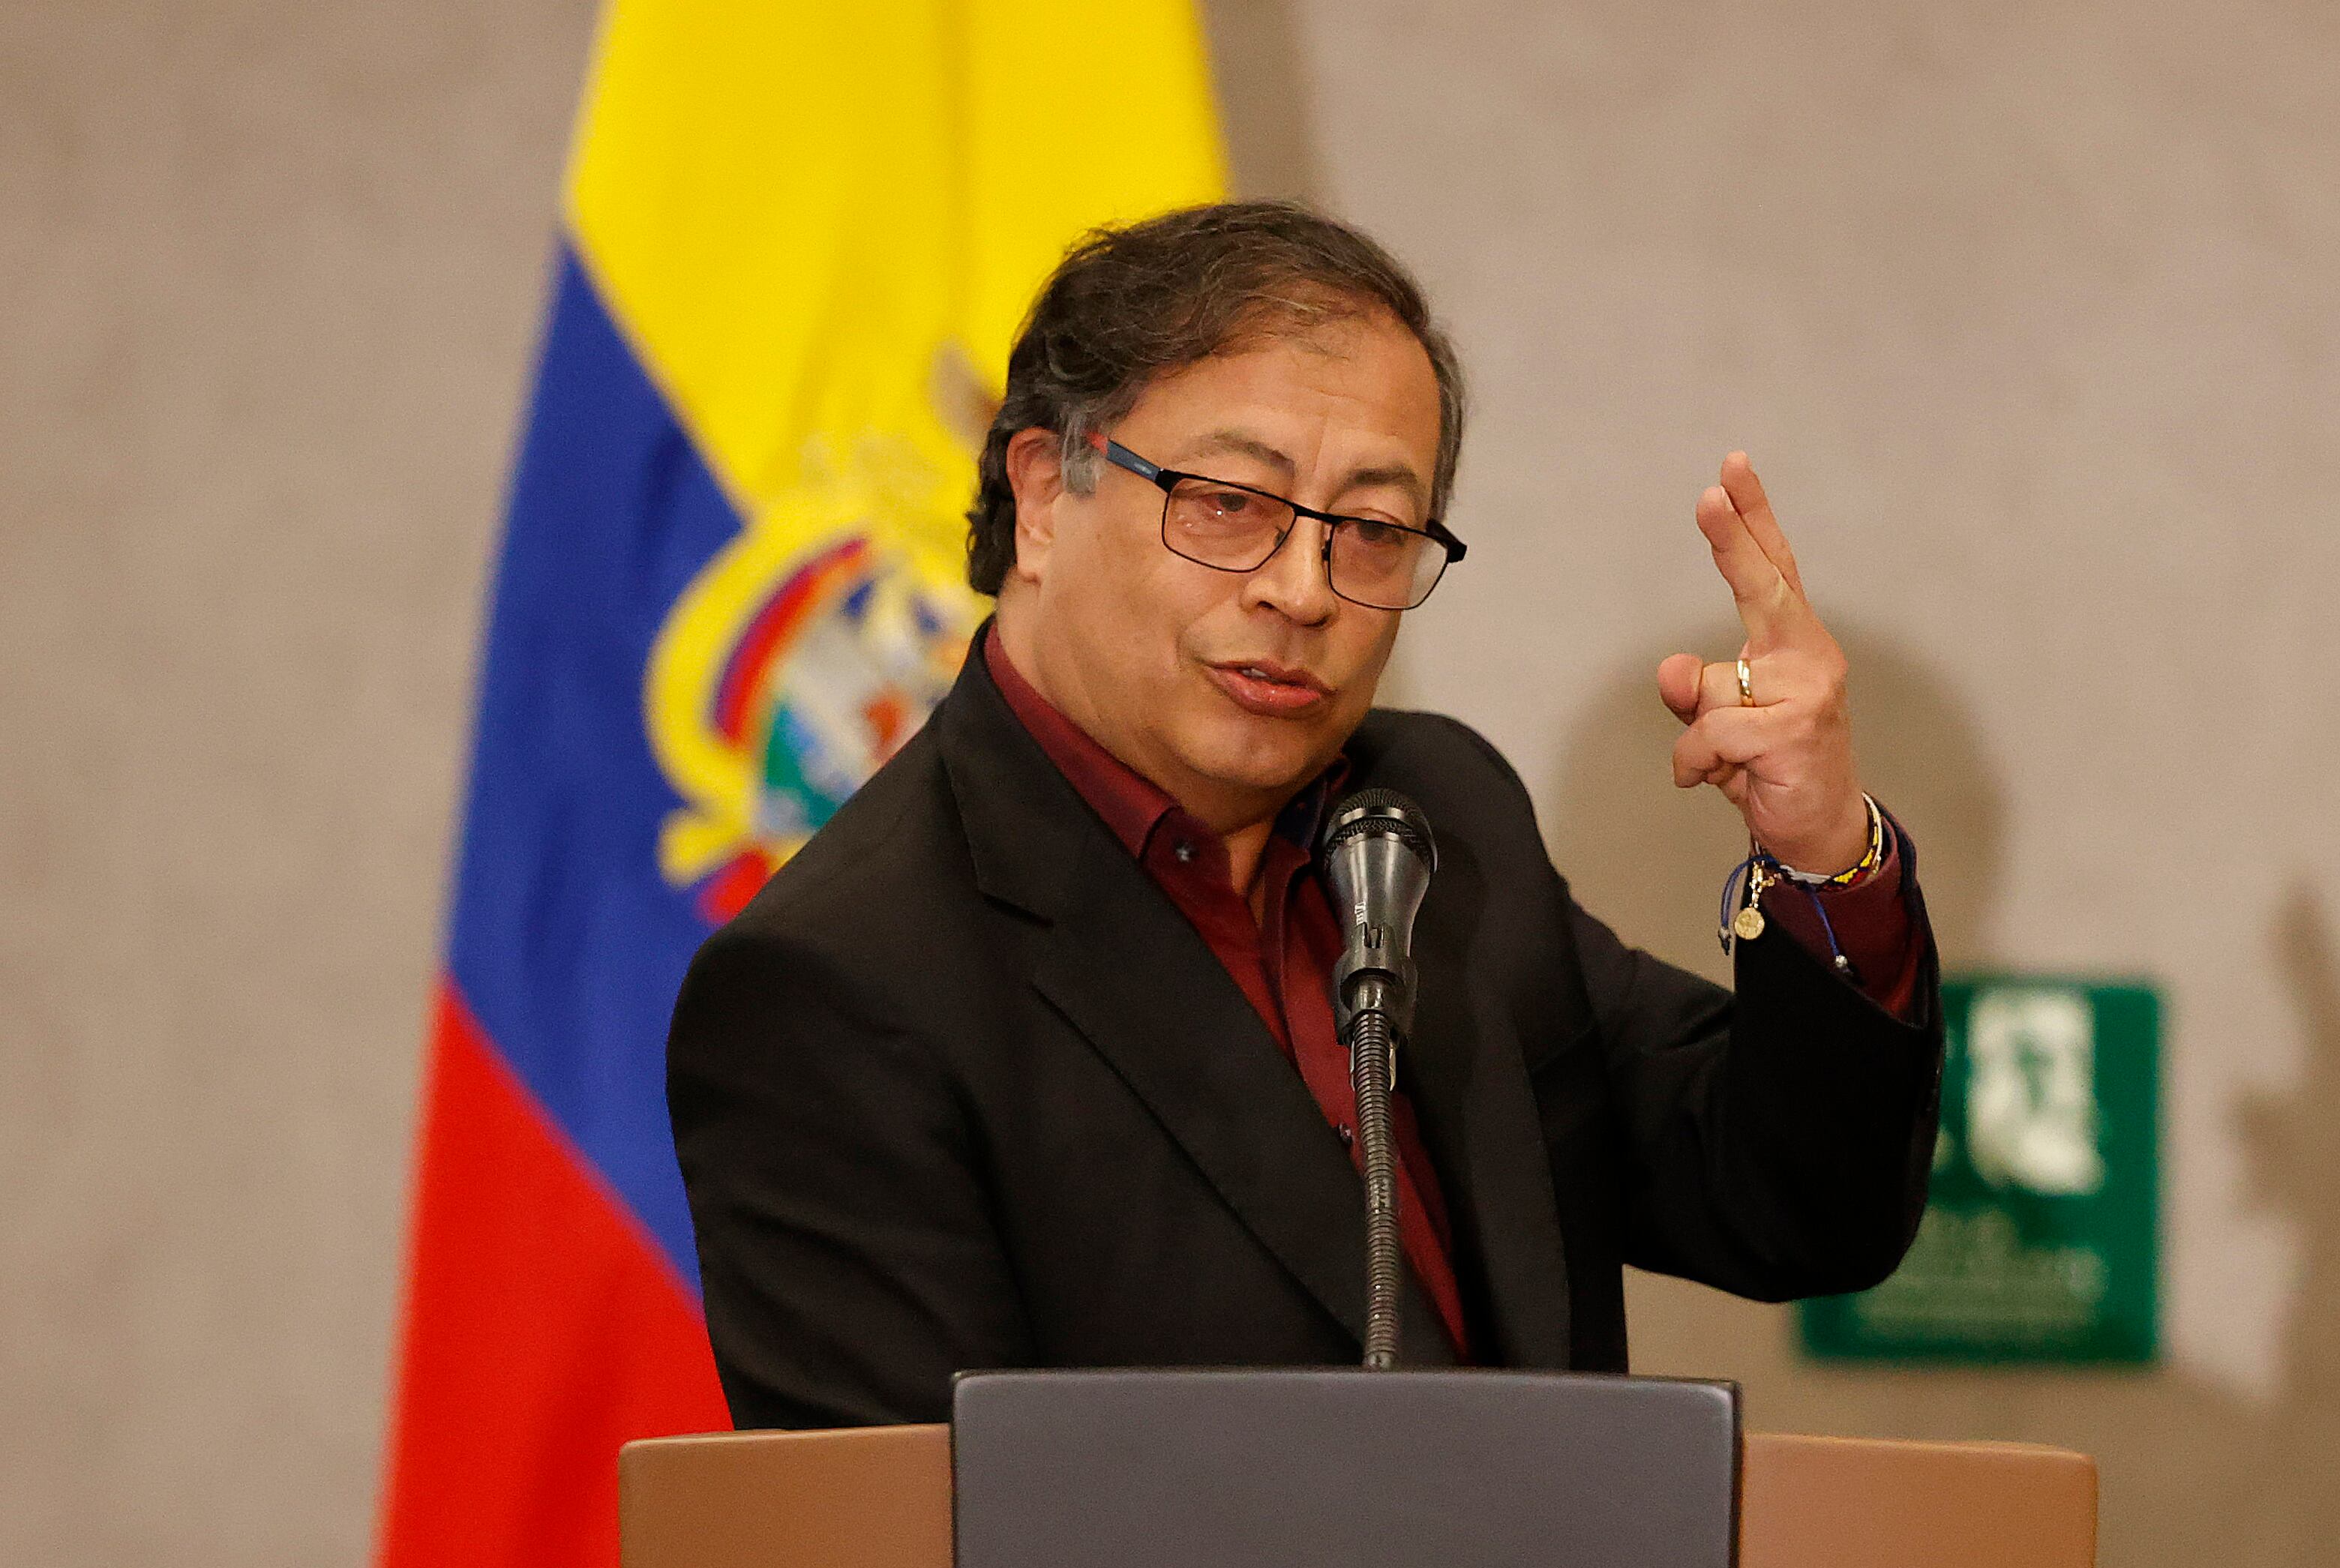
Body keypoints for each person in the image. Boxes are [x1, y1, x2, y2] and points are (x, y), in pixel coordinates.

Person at [667, 200, 1942, 1429]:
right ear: (1048, 494)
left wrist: (1827, 856)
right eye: (1229, 503)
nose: (1302, 588)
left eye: (1373, 530)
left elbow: (1796, 1205)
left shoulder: (1437, 816)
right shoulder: (838, 986)